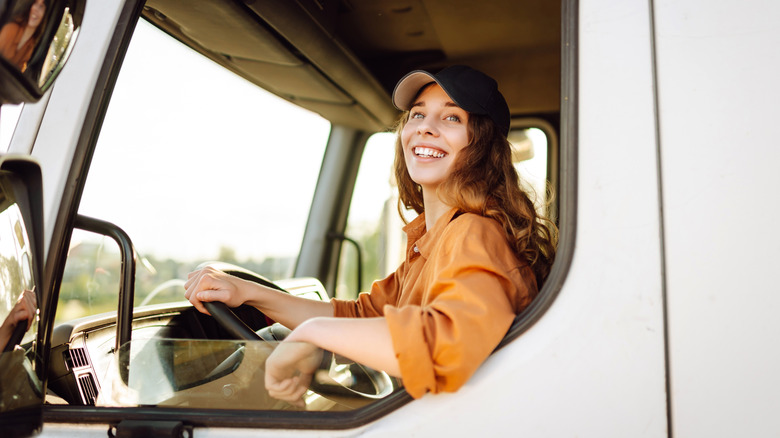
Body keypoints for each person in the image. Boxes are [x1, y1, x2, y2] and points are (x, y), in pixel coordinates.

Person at [184, 65, 558, 404]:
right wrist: (249, 292)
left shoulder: (474, 233)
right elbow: (361, 316)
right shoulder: (434, 239)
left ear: (482, 144)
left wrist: (314, 334)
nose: (425, 127)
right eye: (417, 115)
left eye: (451, 117)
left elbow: (446, 344)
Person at [0, 0, 47, 71]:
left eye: (41, 7)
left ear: (45, 16)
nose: (36, 9)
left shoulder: (31, 45)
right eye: (35, 4)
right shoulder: (10, 29)